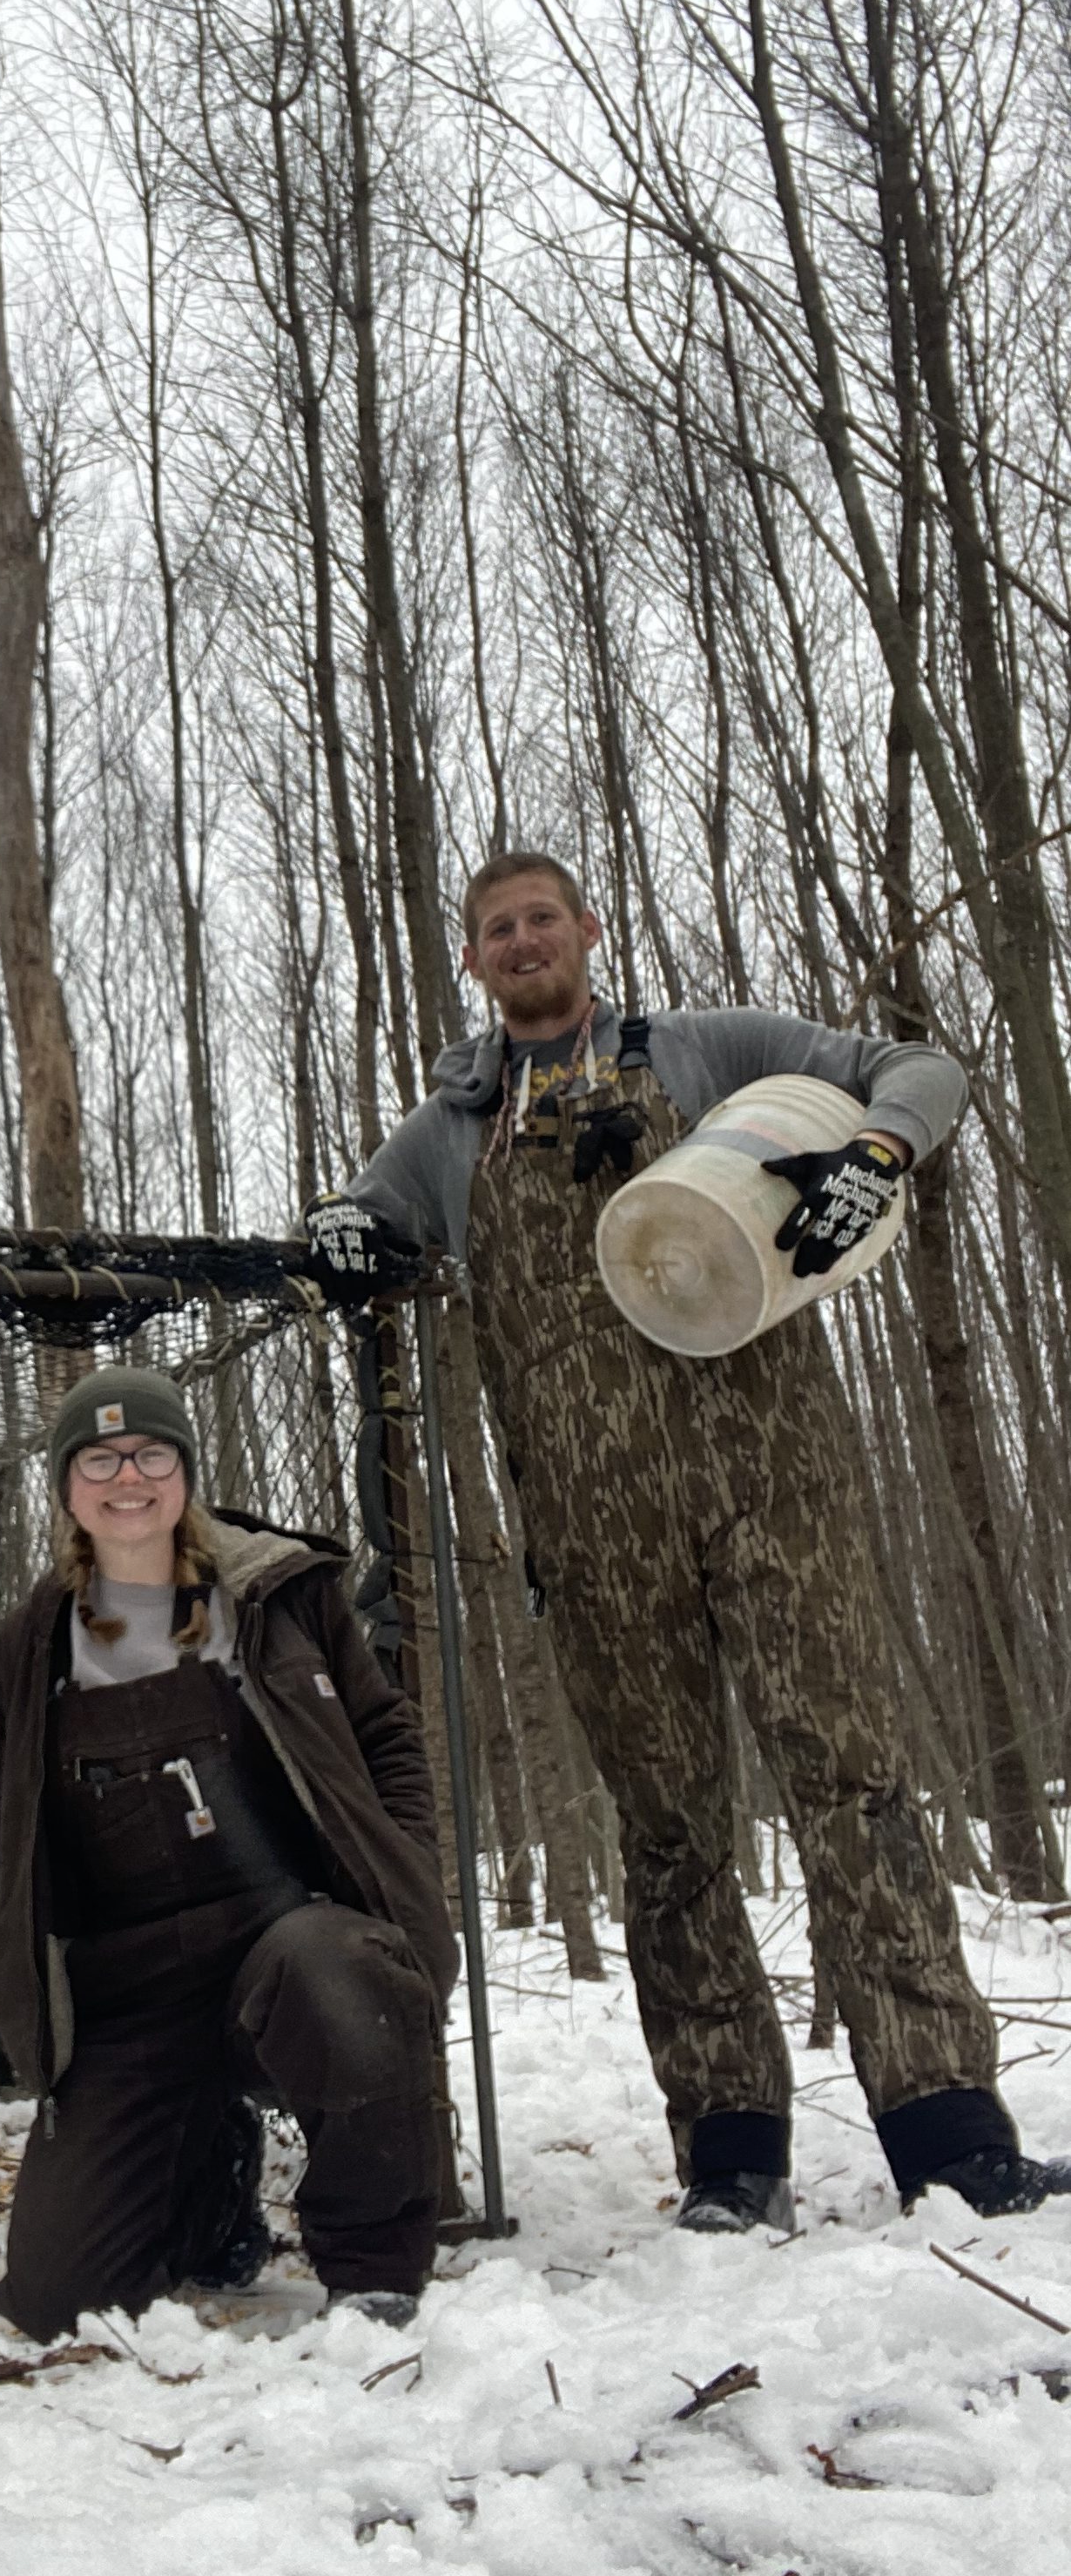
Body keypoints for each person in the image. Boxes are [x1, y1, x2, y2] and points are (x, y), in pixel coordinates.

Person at [306, 851, 1070, 2233]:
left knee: (859, 1787)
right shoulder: (449, 1125)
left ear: (589, 932)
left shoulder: (709, 1050)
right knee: (668, 1838)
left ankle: (952, 2132)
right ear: (474, 963)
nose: (524, 940)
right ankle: (730, 2153)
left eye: (544, 917)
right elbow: (363, 1217)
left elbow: (922, 1068)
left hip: (780, 1490)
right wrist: (346, 1232)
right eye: (497, 930)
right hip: (598, 1539)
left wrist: (874, 1154)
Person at [0, 1368, 458, 2338]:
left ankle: (373, 2263)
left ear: (186, 1473)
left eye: (153, 1454)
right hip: (130, 1989)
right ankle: (208, 2171)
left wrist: (403, 1874)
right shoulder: (29, 1646)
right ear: (67, 1489)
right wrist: (11, 1948)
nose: (128, 1478)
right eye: (98, 1459)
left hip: (281, 1943)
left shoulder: (278, 1594)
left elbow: (386, 1735)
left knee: (345, 1975)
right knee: (58, 2302)